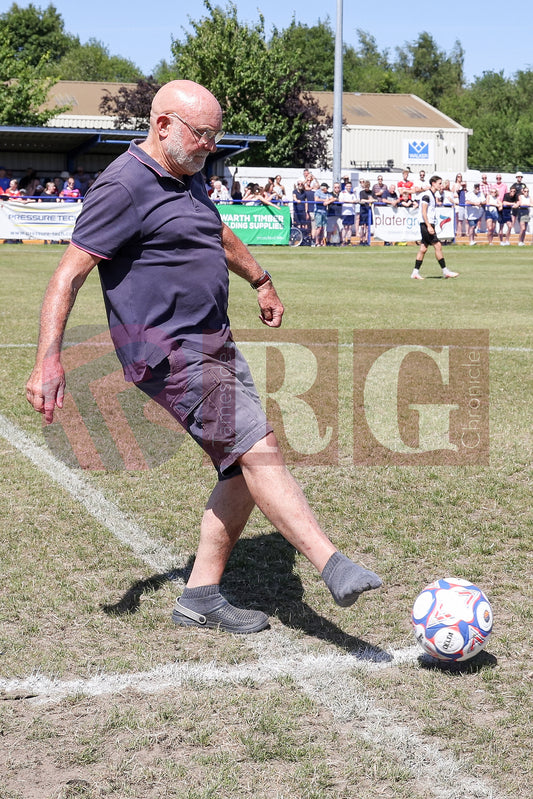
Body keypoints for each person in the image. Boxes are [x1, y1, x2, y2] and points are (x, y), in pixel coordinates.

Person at [25, 80, 382, 634]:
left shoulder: (187, 177)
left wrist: (261, 280)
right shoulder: (122, 187)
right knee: (256, 448)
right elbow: (67, 275)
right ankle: (330, 562)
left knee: (240, 467)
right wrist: (49, 359)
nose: (209, 146)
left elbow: (217, 234)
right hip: (169, 353)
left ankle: (200, 595)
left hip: (215, 341)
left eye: (215, 136)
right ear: (163, 123)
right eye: (202, 134)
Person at [410, 175, 459, 280]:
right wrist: (428, 226)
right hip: (426, 224)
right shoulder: (426, 195)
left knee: (423, 249)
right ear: (433, 183)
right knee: (438, 246)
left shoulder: (432, 195)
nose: (441, 185)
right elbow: (423, 211)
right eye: (439, 183)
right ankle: (445, 271)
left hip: (427, 224)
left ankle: (415, 272)